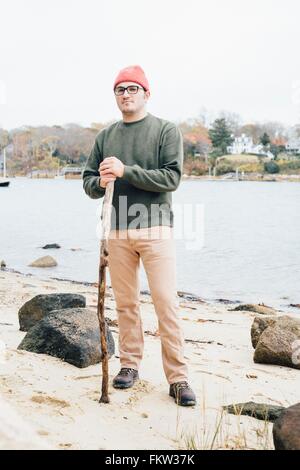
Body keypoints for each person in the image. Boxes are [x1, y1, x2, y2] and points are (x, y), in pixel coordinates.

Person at [82, 65, 196, 406]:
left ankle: (178, 378)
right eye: (120, 90)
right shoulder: (105, 136)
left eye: (133, 89)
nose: (126, 94)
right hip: (116, 230)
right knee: (127, 303)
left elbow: (171, 178)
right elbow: (88, 181)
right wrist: (100, 182)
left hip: (156, 227)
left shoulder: (165, 130)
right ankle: (129, 365)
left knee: (165, 302)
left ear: (146, 93)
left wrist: (125, 171)